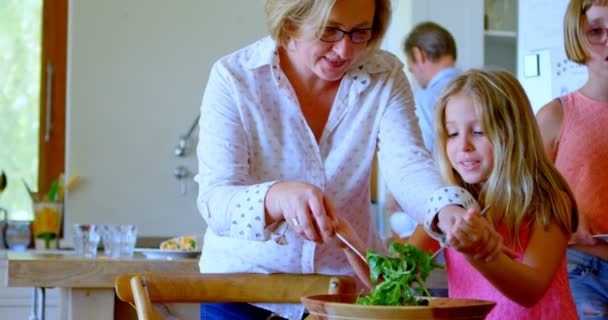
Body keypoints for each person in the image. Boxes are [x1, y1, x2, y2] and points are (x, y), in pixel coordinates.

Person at [195, 1, 502, 319]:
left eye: (360, 33)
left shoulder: (384, 74)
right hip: (241, 294)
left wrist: (446, 209)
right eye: (329, 31)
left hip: (343, 294)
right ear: (291, 23)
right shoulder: (235, 78)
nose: (344, 50)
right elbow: (216, 200)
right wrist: (277, 196)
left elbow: (408, 165)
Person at [409, 69, 579, 319]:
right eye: (452, 134)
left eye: (478, 132)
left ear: (514, 133)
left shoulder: (548, 199)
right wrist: (351, 244)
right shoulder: (449, 206)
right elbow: (398, 273)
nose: (463, 146)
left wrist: (475, 250)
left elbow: (530, 289)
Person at [536, 1, 608, 318]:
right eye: (596, 31)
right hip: (579, 266)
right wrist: (562, 220)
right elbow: (524, 198)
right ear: (577, 38)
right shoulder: (556, 116)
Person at [387, 21, 460, 240]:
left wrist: (394, 196)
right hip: (481, 207)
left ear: (419, 55)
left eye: (411, 69)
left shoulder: (426, 101)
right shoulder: (481, 89)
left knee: (394, 219)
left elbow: (417, 161)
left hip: (440, 213)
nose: (415, 76)